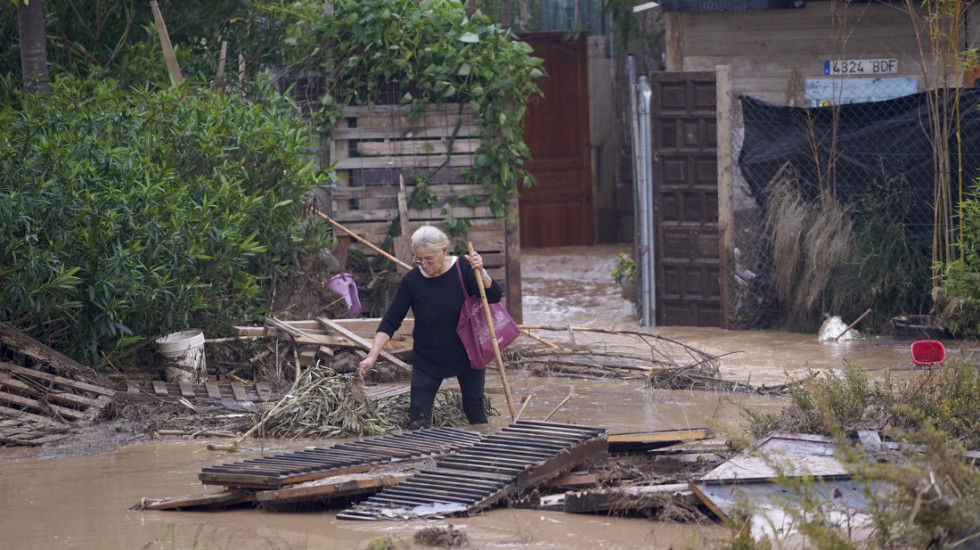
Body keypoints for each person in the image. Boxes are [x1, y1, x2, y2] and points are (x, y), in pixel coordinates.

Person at [358, 225, 503, 429]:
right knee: (418, 420)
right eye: (419, 260)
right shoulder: (412, 281)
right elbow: (391, 320)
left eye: (429, 260)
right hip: (428, 359)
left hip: (468, 355)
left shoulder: (464, 268)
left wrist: (482, 272)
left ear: (443, 251)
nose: (424, 265)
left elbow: (495, 295)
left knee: (476, 416)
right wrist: (372, 355)